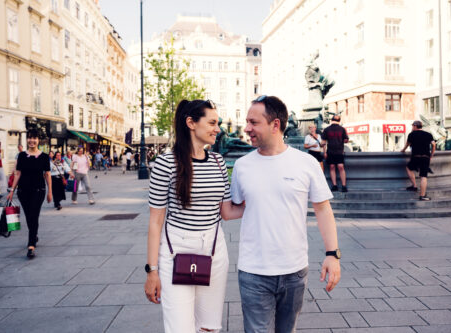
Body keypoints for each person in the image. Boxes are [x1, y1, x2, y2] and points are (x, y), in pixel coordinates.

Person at [231, 95, 341, 333]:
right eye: (246, 122)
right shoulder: (242, 166)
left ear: (275, 125)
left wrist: (333, 254)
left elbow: (322, 208)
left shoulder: (306, 163)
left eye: (253, 122)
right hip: (253, 271)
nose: (247, 128)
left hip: (294, 270)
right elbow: (234, 208)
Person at [144, 99, 244, 333]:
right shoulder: (165, 163)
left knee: (209, 327)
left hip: (214, 250)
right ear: (191, 123)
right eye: (211, 122)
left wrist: (261, 201)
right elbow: (155, 221)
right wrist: (152, 271)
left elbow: (227, 212)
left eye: (217, 123)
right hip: (175, 250)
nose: (217, 129)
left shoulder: (218, 162)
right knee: (180, 328)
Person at [7, 129, 52, 258]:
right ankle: (34, 234)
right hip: (23, 191)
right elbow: (18, 174)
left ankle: (31, 245)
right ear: (27, 140)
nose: (32, 140)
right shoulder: (21, 156)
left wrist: (50, 192)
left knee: (34, 214)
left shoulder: (43, 157)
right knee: (28, 216)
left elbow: (47, 175)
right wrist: (12, 191)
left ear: (38, 140)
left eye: (34, 138)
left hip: (38, 190)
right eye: (30, 138)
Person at [401, 120, 436, 201]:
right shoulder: (428, 134)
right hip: (425, 157)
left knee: (409, 168)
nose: (412, 127)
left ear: (415, 126)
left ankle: (414, 186)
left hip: (415, 157)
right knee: (423, 176)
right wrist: (431, 155)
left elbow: (407, 145)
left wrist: (402, 150)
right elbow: (434, 145)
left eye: (412, 126)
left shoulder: (411, 134)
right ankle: (422, 196)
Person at [321, 115, 349, 192]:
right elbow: (346, 140)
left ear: (331, 120)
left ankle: (336, 185)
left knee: (333, 167)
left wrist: (324, 152)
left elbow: (323, 142)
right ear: (339, 120)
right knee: (340, 167)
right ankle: (341, 186)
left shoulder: (326, 129)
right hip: (338, 151)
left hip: (332, 151)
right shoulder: (342, 129)